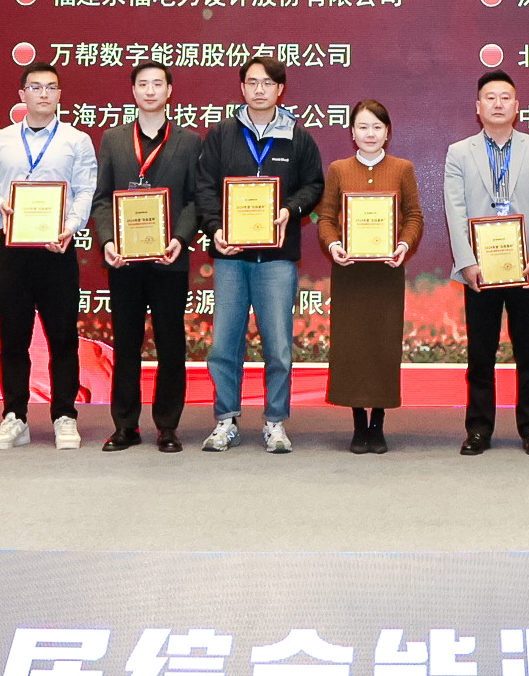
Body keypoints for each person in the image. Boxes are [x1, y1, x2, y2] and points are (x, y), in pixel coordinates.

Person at [191, 54, 325, 453]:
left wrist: (290, 210)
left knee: (278, 346)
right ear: (242, 87)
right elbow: (205, 188)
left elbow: (313, 185)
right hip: (231, 258)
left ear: (280, 89)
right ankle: (226, 420)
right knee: (223, 345)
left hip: (277, 259)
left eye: (267, 83)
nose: (259, 89)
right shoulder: (222, 134)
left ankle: (275, 422)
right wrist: (215, 230)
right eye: (252, 82)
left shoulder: (297, 136)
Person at [0, 62, 99, 450]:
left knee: (63, 338)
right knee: (13, 338)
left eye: (51, 87)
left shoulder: (77, 140)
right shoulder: (0, 139)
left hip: (57, 250)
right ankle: (15, 417)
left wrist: (70, 227)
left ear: (60, 95)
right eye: (36, 87)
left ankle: (64, 415)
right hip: (13, 250)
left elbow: (85, 190)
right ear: (22, 94)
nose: (43, 94)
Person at [441, 69, 529, 455]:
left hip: (525, 267)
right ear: (478, 107)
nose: (498, 104)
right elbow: (455, 211)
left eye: (505, 97)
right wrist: (467, 262)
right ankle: (478, 429)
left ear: (517, 106)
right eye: (490, 98)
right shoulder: (460, 152)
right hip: (480, 268)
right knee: (480, 354)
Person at [95, 58, 201, 453]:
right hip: (124, 261)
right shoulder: (113, 139)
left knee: (171, 344)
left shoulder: (189, 141)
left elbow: (194, 199)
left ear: (169, 91)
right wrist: (108, 241)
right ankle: (125, 426)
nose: (151, 90)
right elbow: (102, 198)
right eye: (143, 84)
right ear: (133, 91)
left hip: (169, 259)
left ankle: (167, 426)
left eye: (158, 83)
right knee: (126, 343)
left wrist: (180, 238)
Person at [316, 99, 423, 454]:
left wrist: (403, 245)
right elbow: (327, 218)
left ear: (387, 132)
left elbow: (414, 216)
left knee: (382, 345)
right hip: (350, 273)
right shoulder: (339, 169)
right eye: (363, 127)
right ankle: (358, 424)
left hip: (386, 273)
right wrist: (334, 246)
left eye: (377, 127)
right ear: (352, 132)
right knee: (352, 346)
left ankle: (377, 424)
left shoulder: (402, 169)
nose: (370, 134)